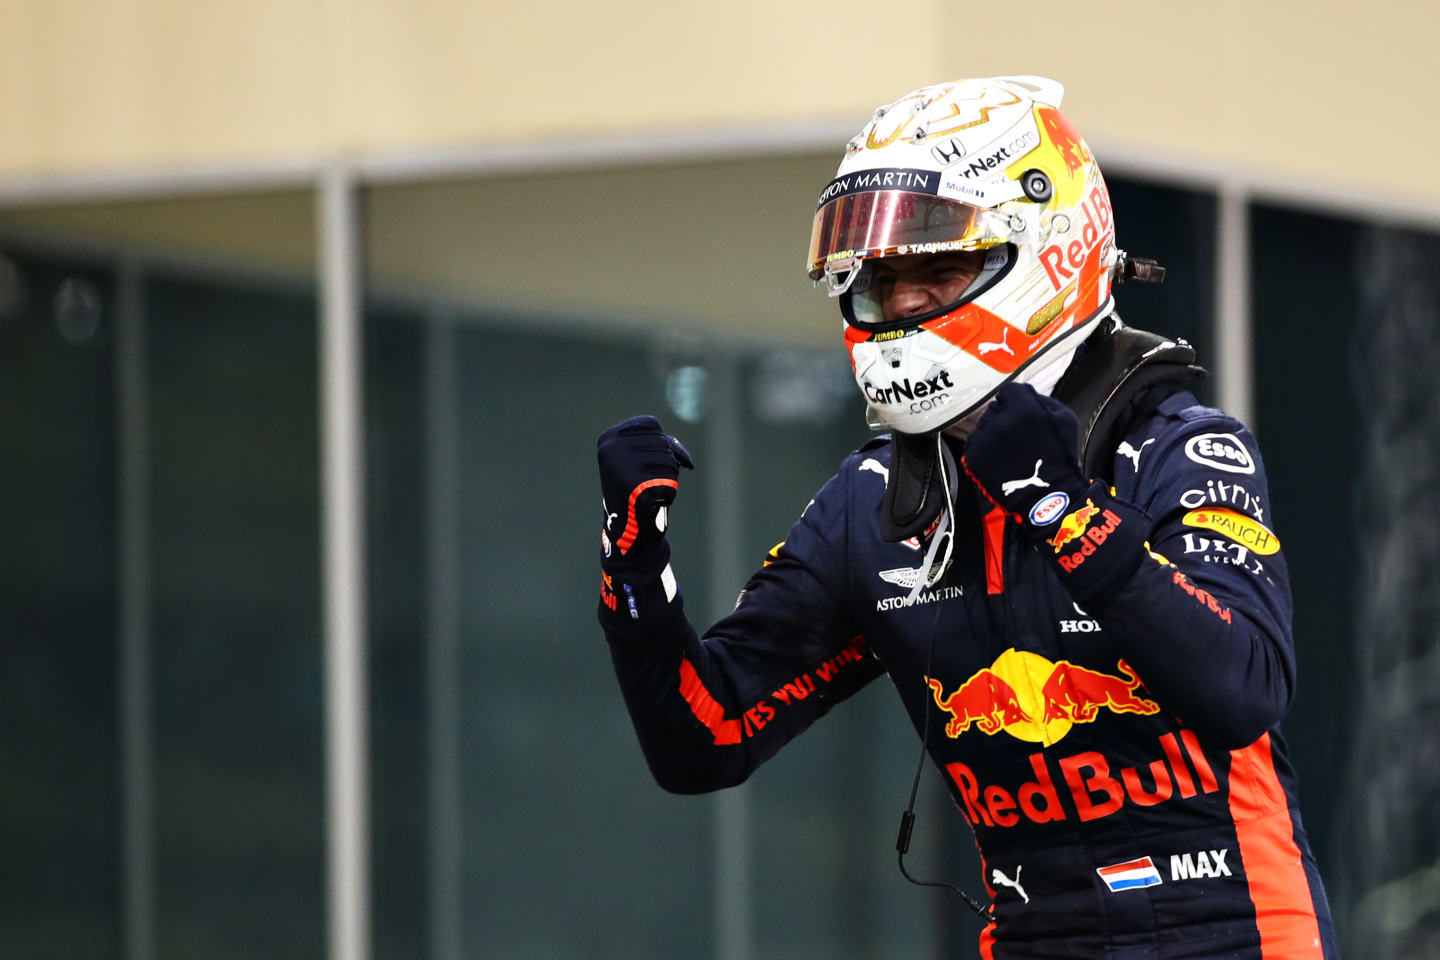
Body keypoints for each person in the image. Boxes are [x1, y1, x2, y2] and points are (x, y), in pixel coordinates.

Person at [595, 76, 1338, 959]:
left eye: (936, 271)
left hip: (1234, 933)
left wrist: (1062, 508)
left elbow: (1245, 686)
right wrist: (635, 569)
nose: (901, 305)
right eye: (880, 280)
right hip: (1031, 935)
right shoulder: (868, 504)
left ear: (1049, 256)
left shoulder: (1180, 447)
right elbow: (704, 741)